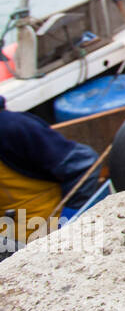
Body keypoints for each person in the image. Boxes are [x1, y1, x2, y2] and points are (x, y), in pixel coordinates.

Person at [0, 96, 98, 244]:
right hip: (9, 241)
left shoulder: (10, 127)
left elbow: (85, 164)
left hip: (47, 234)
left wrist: (69, 218)